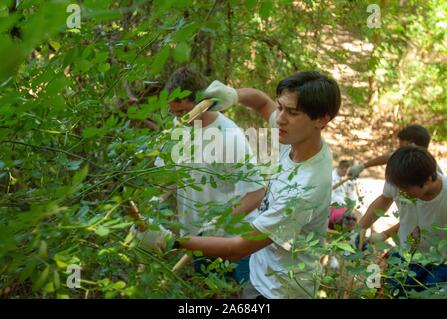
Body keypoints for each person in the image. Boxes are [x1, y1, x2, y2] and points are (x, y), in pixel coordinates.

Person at [132, 70, 342, 299]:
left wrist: (169, 241)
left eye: (292, 112)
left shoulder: (304, 188)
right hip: (262, 273)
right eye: (281, 107)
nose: (279, 118)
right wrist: (233, 95)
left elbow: (238, 247)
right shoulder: (294, 137)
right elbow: (261, 102)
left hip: (279, 291)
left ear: (321, 120)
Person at [149, 67, 266, 283]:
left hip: (234, 241)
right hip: (197, 238)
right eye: (173, 113)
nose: (179, 119)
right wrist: (154, 201)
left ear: (204, 102)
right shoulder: (179, 129)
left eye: (184, 112)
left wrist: (221, 222)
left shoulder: (230, 137)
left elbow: (257, 192)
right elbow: (172, 175)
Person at [359, 146, 447, 296]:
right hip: (405, 254)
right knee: (390, 293)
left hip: (441, 263)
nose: (399, 192)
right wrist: (359, 229)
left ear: (427, 180)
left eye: (405, 189)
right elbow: (384, 200)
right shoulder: (399, 181)